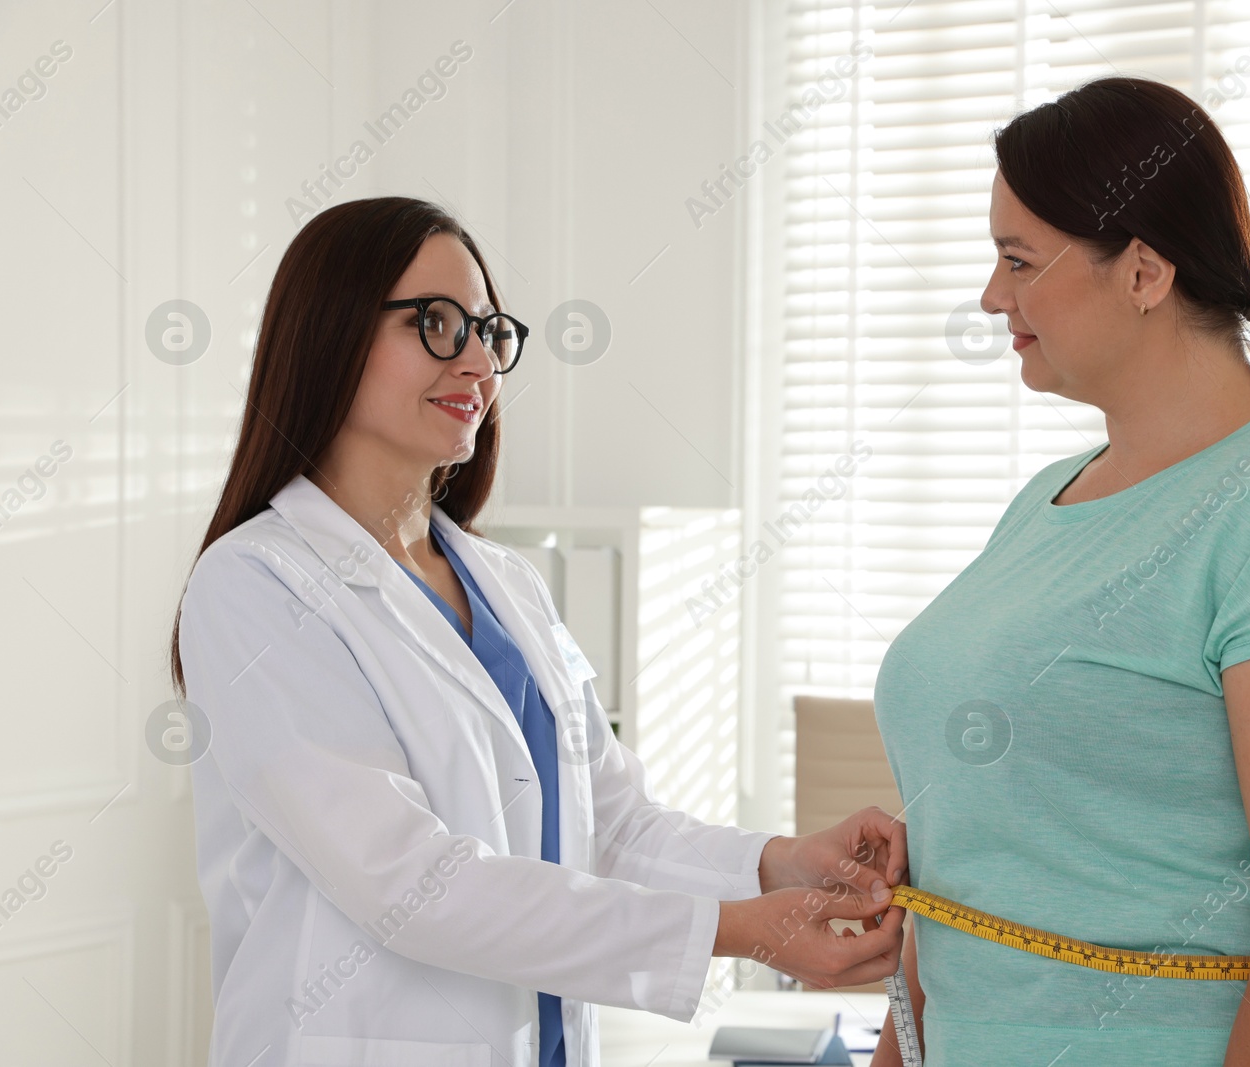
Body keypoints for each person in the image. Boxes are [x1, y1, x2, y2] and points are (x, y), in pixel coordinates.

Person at [170, 196, 905, 1067]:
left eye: (489, 329)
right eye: (437, 323)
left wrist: (781, 865)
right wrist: (740, 931)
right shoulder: (253, 585)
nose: (479, 359)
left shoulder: (506, 581)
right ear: (329, 332)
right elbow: (409, 883)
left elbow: (613, 824)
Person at [869, 76, 1250, 1067]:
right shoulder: (1047, 498)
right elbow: (969, 883)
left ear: (1142, 271)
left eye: (1018, 260)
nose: (993, 295)